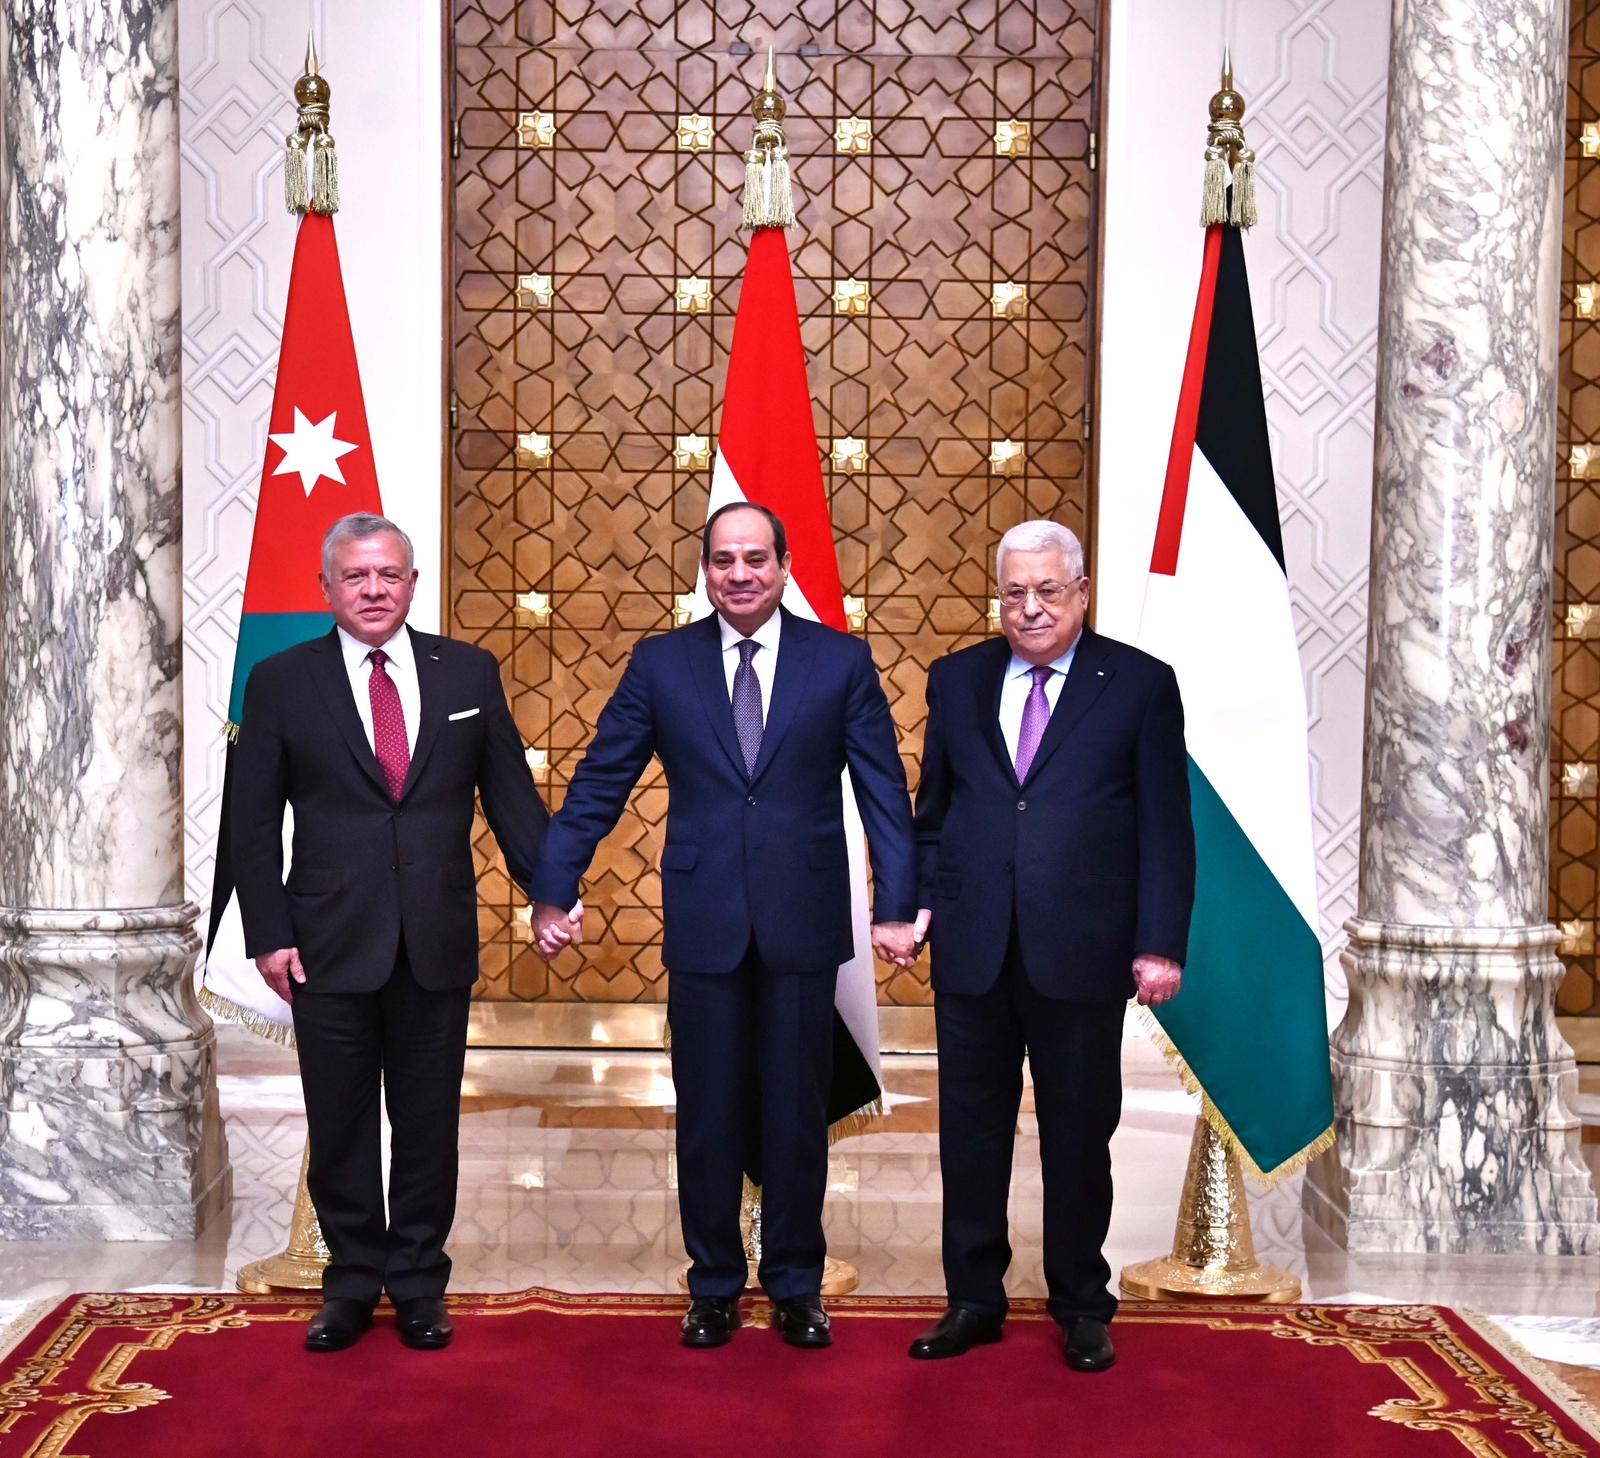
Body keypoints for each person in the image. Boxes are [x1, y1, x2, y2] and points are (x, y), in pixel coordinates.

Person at [529, 501, 920, 1350]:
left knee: (797, 1113)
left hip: (805, 919)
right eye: (722, 560)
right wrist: (554, 887)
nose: (739, 574)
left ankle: (795, 1283)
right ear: (704, 570)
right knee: (706, 1113)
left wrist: (896, 905)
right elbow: (600, 781)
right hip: (704, 919)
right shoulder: (661, 663)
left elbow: (885, 790)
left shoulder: (840, 661)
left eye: (755, 559)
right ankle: (712, 1284)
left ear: (783, 567)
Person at [232, 512, 553, 1354]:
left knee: (426, 1124)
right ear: (326, 587)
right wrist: (267, 933)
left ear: (413, 583)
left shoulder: (468, 671)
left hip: (435, 938)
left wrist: (551, 891)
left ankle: (416, 1283)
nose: (373, 590)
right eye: (355, 576)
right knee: (339, 1124)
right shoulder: (281, 681)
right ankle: (348, 1284)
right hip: (325, 942)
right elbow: (250, 822)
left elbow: (510, 796)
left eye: (388, 575)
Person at [908, 519, 1195, 1372]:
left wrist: (1160, 942)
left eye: (1047, 590)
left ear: (1081, 593)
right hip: (974, 948)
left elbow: (1166, 827)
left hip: (1084, 949)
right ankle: (973, 1301)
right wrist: (917, 904)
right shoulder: (956, 679)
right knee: (970, 1134)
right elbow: (934, 814)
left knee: (1077, 1135)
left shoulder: (1139, 685)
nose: (1029, 608)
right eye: (1014, 592)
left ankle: (1080, 1304)